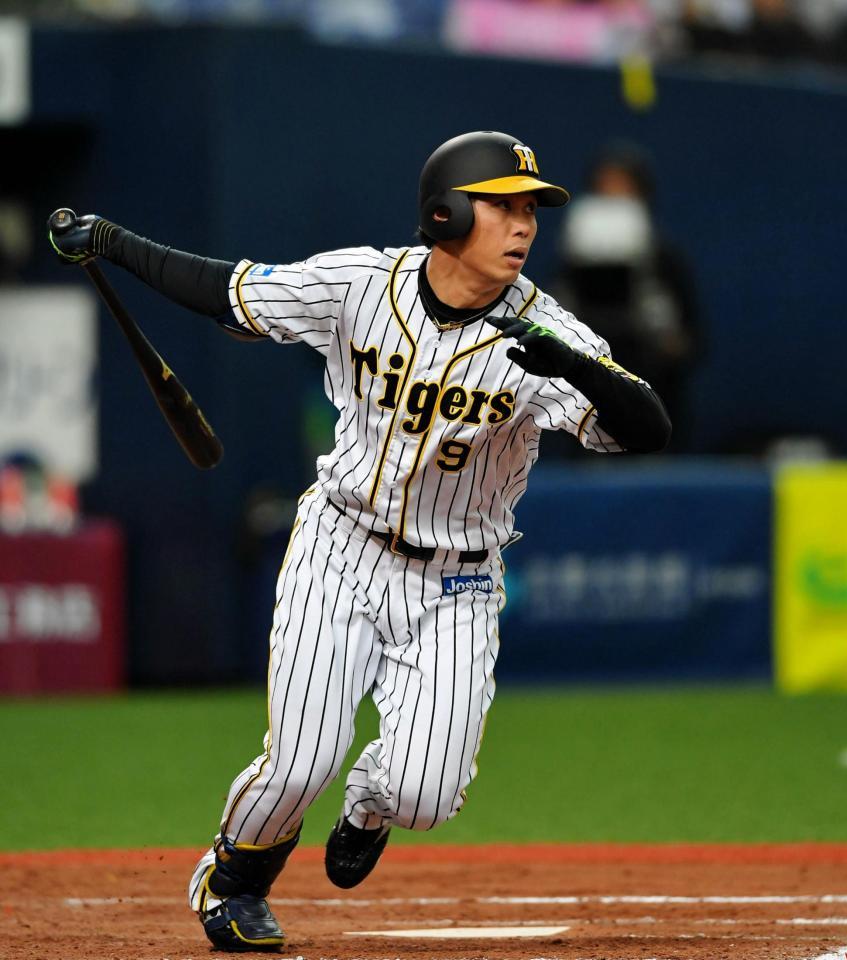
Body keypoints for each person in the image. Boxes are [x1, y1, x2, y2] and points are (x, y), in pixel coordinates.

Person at [48, 130, 671, 953]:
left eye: (530, 209)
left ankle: (370, 804)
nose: (523, 224)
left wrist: (579, 368)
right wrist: (112, 241)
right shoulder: (360, 284)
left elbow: (647, 429)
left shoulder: (544, 333)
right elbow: (230, 293)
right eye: (501, 206)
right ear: (445, 214)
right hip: (341, 546)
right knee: (301, 762)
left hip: (457, 579)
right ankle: (233, 878)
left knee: (426, 797)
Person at [553, 140, 702, 451]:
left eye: (622, 189)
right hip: (589, 415)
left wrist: (667, 339)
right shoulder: (571, 267)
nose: (613, 198)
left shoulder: (664, 262)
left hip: (652, 400)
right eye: (604, 189)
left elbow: (692, 341)